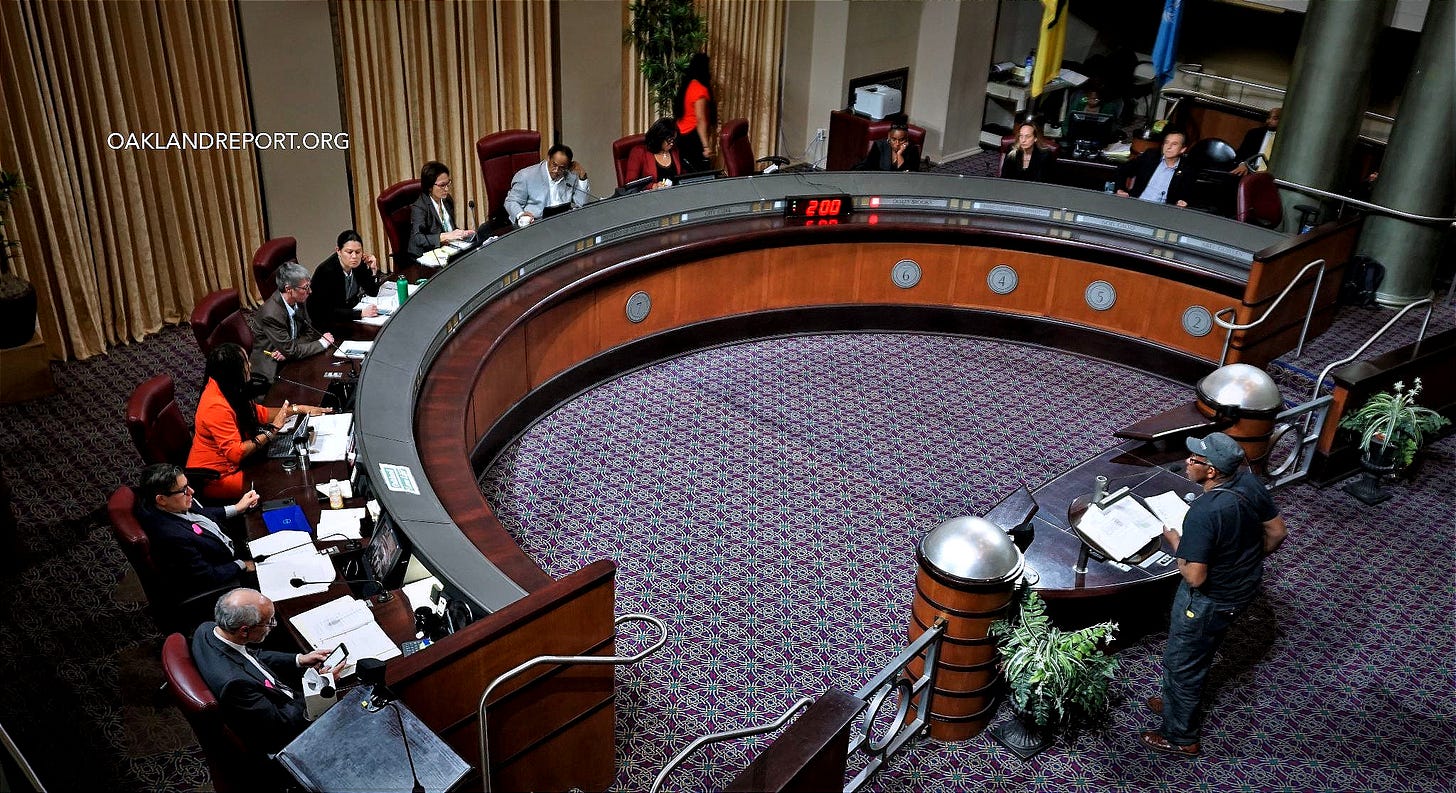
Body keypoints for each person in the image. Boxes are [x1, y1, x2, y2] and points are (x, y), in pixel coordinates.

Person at [1141, 432, 1288, 757]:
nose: (1186, 462)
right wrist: (1241, 562)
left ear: (1211, 472)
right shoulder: (1249, 483)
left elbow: (1195, 577)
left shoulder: (1204, 512)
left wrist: (1178, 544)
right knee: (1200, 655)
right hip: (1242, 589)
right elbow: (1277, 531)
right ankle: (1174, 704)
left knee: (1182, 665)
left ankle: (1181, 736)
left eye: (1194, 460)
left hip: (1207, 602)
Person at [190, 588, 338, 755]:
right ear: (244, 630)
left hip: (276, 701)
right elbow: (281, 726)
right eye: (269, 622)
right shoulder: (236, 686)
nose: (274, 625)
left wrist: (299, 659)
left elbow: (250, 657)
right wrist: (322, 687)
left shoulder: (208, 630)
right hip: (289, 732)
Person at [188, 342, 330, 501]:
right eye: (244, 363)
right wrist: (272, 431)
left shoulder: (228, 387)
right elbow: (236, 453)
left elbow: (259, 413)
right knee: (278, 484)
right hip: (219, 477)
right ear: (232, 371)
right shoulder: (215, 406)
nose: (250, 364)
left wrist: (299, 409)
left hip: (241, 464)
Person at [137, 463, 259, 606]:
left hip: (231, 550)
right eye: (183, 490)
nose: (191, 491)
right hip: (227, 571)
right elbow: (207, 576)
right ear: (161, 499)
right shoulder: (172, 536)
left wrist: (237, 508)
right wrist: (242, 564)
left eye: (188, 485)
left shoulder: (175, 503)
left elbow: (202, 514)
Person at [249, 261, 335, 377]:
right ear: (289, 289)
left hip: (290, 355)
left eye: (309, 286)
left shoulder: (298, 300)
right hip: (272, 366)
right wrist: (322, 343)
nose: (310, 291)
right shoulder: (271, 314)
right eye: (305, 288)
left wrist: (289, 349)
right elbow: (292, 351)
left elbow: (308, 331)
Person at [307, 229, 382, 331]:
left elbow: (373, 292)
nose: (354, 256)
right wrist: (360, 313)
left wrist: (373, 270)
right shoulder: (326, 271)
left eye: (358, 252)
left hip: (348, 315)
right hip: (326, 323)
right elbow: (325, 311)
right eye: (349, 252)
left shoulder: (358, 264)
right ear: (338, 251)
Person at [504, 144, 592, 227]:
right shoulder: (526, 176)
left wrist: (582, 176)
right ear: (548, 158)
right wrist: (520, 215)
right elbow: (511, 201)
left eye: (562, 168)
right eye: (554, 165)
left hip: (563, 224)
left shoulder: (570, 176)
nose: (556, 170)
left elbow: (581, 204)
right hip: (536, 224)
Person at [407, 161, 473, 258]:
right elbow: (419, 238)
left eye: (448, 183)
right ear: (429, 187)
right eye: (442, 185)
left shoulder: (447, 200)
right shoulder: (419, 207)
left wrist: (462, 233)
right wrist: (446, 236)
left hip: (447, 249)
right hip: (425, 256)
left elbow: (450, 227)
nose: (446, 189)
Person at [1117, 128, 1192, 207]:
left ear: (1183, 149)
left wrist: (1183, 202)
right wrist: (1120, 189)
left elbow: (1188, 195)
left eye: (1174, 144)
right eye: (1166, 143)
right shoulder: (1150, 156)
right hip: (1137, 204)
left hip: (1163, 212)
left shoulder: (1187, 169)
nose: (1168, 147)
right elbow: (1122, 170)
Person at [673, 52, 715, 173]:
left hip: (681, 134)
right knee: (700, 175)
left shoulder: (689, 85)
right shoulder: (700, 89)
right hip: (692, 136)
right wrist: (706, 146)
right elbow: (700, 119)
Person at [624, 117, 684, 189]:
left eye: (673, 140)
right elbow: (630, 183)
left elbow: (682, 176)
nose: (671, 144)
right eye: (669, 141)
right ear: (659, 138)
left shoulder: (674, 151)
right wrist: (653, 186)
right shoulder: (639, 152)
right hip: (650, 197)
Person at [1232, 106, 1281, 176]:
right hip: (1249, 170)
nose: (1268, 121)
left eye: (1274, 118)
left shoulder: (1285, 140)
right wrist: (1243, 164)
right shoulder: (1254, 133)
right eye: (1268, 117)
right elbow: (1241, 153)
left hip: (1271, 175)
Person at [853, 123, 920, 172]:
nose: (897, 144)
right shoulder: (879, 145)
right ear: (889, 137)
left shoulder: (913, 150)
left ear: (906, 139)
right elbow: (868, 166)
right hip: (879, 183)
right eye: (894, 139)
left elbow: (910, 175)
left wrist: (899, 154)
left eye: (901, 140)